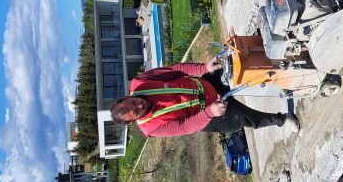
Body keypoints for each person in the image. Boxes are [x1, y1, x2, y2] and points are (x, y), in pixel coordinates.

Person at [110, 57, 299, 137]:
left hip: (207, 84)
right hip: (208, 115)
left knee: (235, 67)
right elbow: (184, 127)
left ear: (127, 96)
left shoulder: (140, 83)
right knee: (244, 118)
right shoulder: (152, 128)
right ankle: (282, 119)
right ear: (133, 121)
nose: (140, 105)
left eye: (134, 101)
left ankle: (278, 69)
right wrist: (210, 112)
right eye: (137, 111)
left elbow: (176, 70)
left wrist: (204, 68)